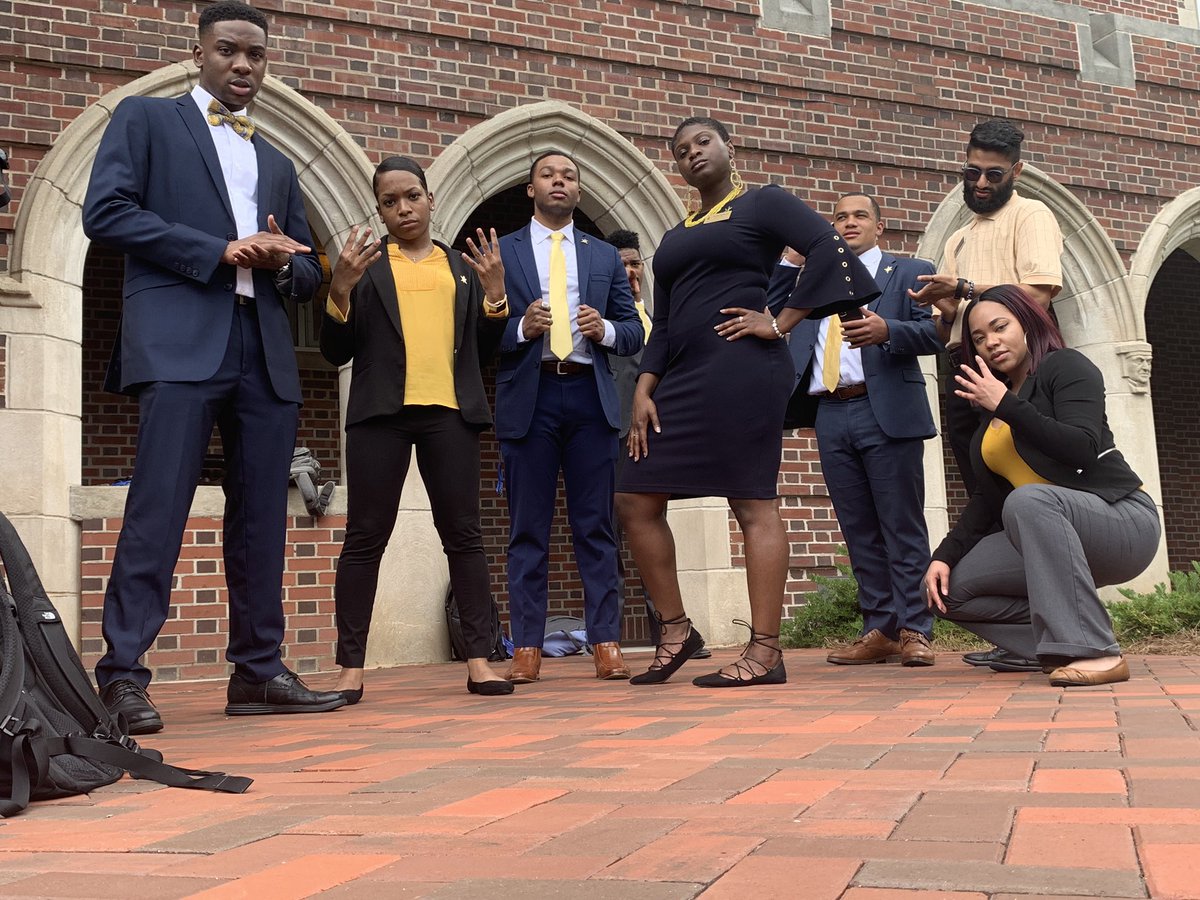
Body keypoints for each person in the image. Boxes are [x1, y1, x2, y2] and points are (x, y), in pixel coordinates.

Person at [81, 1, 345, 733]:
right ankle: (123, 676)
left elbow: (302, 268)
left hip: (261, 350)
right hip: (180, 341)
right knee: (157, 509)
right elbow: (105, 212)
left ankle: (258, 671)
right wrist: (219, 250)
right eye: (229, 51)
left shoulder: (276, 159)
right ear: (199, 53)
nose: (243, 67)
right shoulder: (147, 120)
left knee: (263, 519)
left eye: (256, 56)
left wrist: (291, 264)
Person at [616, 116, 877, 688]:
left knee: (751, 500)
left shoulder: (761, 203)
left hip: (741, 371)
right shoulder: (677, 232)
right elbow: (666, 318)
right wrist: (643, 387)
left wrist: (780, 322)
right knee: (634, 496)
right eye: (681, 150)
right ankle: (677, 630)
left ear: (728, 148)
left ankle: (764, 651)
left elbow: (826, 245)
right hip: (680, 377)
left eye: (702, 142)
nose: (692, 154)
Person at [320, 156, 514, 699]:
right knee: (364, 538)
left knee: (465, 538)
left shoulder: (460, 267)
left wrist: (496, 296)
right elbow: (336, 351)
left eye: (411, 196)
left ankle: (479, 661)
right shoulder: (365, 266)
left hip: (449, 414)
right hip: (380, 415)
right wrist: (339, 290)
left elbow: (483, 352)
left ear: (430, 199)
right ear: (379, 209)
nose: (403, 208)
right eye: (389, 201)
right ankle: (350, 668)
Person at [924, 286, 1159, 687]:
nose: (991, 342)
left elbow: (1082, 449)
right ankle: (1051, 646)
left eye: (1000, 327)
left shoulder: (1065, 367)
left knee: (1028, 500)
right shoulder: (994, 403)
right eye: (979, 338)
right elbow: (986, 500)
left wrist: (1006, 406)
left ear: (1028, 322)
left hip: (1121, 520)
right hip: (1043, 527)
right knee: (946, 591)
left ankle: (1098, 652)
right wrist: (942, 557)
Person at [908, 119, 1064, 672]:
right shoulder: (957, 236)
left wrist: (966, 290)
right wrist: (941, 302)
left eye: (992, 174)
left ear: (1016, 171)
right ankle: (1018, 631)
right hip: (959, 363)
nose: (978, 182)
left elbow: (1040, 294)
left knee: (1015, 490)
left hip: (1008, 366)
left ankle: (1050, 623)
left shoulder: (1031, 215)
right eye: (971, 170)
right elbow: (953, 312)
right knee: (982, 488)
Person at [496, 151, 643, 685]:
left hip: (589, 396)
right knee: (526, 530)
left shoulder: (604, 255)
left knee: (596, 527)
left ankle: (606, 641)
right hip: (530, 398)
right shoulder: (505, 251)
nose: (560, 181)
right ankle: (528, 648)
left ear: (579, 190)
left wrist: (603, 330)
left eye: (570, 175)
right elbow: (478, 333)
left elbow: (634, 330)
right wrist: (518, 328)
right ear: (531, 188)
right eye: (548, 175)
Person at [783, 193, 943, 668]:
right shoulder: (814, 281)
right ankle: (881, 628)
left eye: (860, 216)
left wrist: (888, 331)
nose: (849, 223)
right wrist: (788, 263)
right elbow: (777, 317)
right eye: (840, 217)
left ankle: (916, 628)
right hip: (830, 411)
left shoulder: (909, 271)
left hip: (885, 409)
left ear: (879, 226)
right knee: (857, 528)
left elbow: (938, 334)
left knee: (901, 524)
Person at [604, 228, 710, 659]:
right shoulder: (603, 322)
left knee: (653, 531)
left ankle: (671, 629)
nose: (630, 272)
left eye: (634, 263)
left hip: (659, 439)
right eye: (621, 265)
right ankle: (607, 636)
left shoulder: (660, 320)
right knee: (607, 536)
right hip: (612, 436)